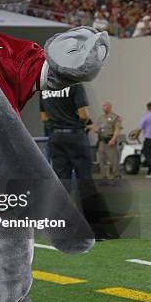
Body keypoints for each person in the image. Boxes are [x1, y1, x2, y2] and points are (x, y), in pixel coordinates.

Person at [40, 84, 110, 233]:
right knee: (85, 180)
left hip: (56, 137)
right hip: (75, 136)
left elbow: (43, 116)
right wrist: (82, 123)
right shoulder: (75, 85)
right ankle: (94, 225)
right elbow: (83, 115)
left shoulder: (45, 88)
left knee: (61, 181)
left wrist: (57, 121)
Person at [94, 101, 122, 179]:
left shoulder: (115, 117)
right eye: (103, 106)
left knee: (114, 161)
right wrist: (94, 129)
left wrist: (113, 139)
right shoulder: (101, 117)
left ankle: (116, 176)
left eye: (105, 105)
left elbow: (117, 129)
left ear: (110, 107)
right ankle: (104, 177)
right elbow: (98, 128)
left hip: (110, 141)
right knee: (102, 160)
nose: (103, 107)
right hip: (102, 141)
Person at [134, 102, 151, 179]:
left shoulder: (146, 117)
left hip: (150, 139)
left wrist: (136, 136)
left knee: (147, 154)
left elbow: (139, 128)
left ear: (147, 108)